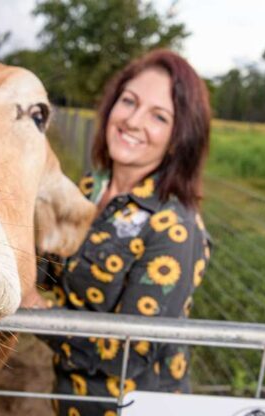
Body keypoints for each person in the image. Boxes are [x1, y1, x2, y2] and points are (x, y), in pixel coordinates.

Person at [32, 49, 213, 416]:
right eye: (128, 101)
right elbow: (50, 271)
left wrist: (33, 311)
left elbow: (127, 351)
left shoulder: (174, 227)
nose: (132, 120)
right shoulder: (88, 189)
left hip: (133, 409)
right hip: (72, 401)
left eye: (158, 116)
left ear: (179, 138)